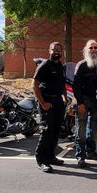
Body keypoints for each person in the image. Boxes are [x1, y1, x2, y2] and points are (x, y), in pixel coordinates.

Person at [72, 40, 97, 168]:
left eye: (95, 47)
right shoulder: (81, 65)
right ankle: (80, 156)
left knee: (93, 129)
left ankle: (91, 152)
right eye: (91, 48)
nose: (93, 50)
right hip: (84, 100)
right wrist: (80, 102)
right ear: (86, 50)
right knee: (81, 130)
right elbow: (76, 85)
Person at [33, 42, 66, 173]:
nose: (57, 52)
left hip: (58, 101)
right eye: (54, 50)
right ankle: (41, 160)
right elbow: (35, 85)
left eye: (59, 50)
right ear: (49, 51)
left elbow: (62, 83)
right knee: (47, 131)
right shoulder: (45, 65)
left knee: (56, 131)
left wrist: (64, 97)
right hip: (47, 101)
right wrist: (43, 103)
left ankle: (51, 156)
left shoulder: (60, 65)